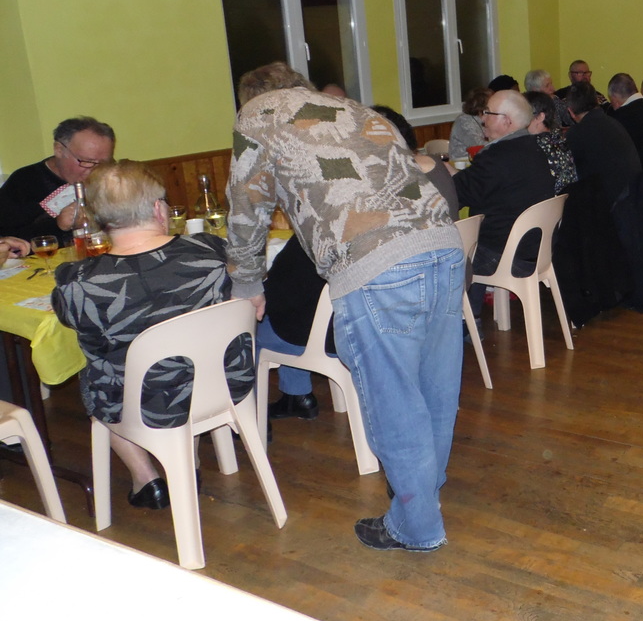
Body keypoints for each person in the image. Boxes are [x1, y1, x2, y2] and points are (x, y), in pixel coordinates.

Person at [226, 62, 463, 553]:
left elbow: (247, 203)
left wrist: (246, 280)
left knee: (393, 398)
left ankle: (416, 526)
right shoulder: (353, 110)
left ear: (251, 96)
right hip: (442, 242)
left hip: (375, 261)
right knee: (434, 387)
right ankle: (424, 494)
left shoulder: (258, 114)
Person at [51, 160, 254, 513]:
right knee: (181, 357)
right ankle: (186, 464)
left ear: (99, 220)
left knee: (93, 378)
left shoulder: (78, 282)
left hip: (148, 404)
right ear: (159, 209)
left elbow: (74, 323)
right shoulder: (211, 250)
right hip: (226, 383)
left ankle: (147, 478)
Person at [258, 105, 458, 422]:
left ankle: (255, 417)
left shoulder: (337, 211)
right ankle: (295, 396)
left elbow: (282, 289)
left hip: (354, 327)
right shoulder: (429, 176)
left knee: (257, 325)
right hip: (426, 299)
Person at [451, 89, 556, 313]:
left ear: (507, 121)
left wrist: (441, 175)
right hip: (538, 250)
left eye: (488, 113)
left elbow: (456, 195)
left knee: (455, 250)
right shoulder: (533, 149)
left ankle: (466, 320)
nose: (482, 119)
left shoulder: (495, 158)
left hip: (507, 257)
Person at [0, 116, 116, 243]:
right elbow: (8, 240)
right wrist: (57, 225)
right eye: (87, 161)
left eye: (104, 163)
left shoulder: (112, 177)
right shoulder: (25, 182)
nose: (95, 170)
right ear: (59, 150)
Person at [565, 82, 641, 206]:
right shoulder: (614, 123)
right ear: (597, 102)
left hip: (610, 205)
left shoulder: (576, 133)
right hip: (633, 196)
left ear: (571, 112)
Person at [525, 91, 579, 195]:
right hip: (569, 200)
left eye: (524, 114)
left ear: (540, 117)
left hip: (550, 201)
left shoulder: (537, 147)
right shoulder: (560, 139)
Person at [449, 87, 489, 161]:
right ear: (482, 107)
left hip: (481, 160)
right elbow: (478, 146)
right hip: (462, 164)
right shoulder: (464, 121)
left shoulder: (485, 118)